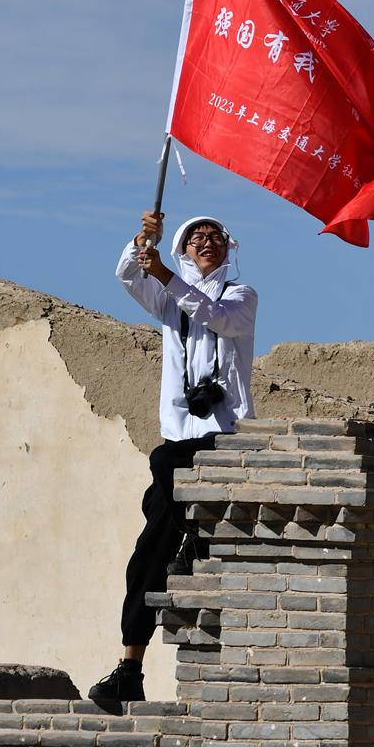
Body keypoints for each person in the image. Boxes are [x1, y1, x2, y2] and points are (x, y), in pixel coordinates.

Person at [86, 209, 258, 710]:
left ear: (228, 249)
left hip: (226, 438)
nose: (207, 241)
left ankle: (194, 540)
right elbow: (126, 274)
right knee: (145, 557)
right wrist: (145, 239)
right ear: (182, 252)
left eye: (215, 236)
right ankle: (130, 667)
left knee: (167, 465)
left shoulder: (241, 297)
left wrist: (163, 271)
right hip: (180, 439)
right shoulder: (168, 302)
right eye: (195, 237)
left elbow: (215, 316)